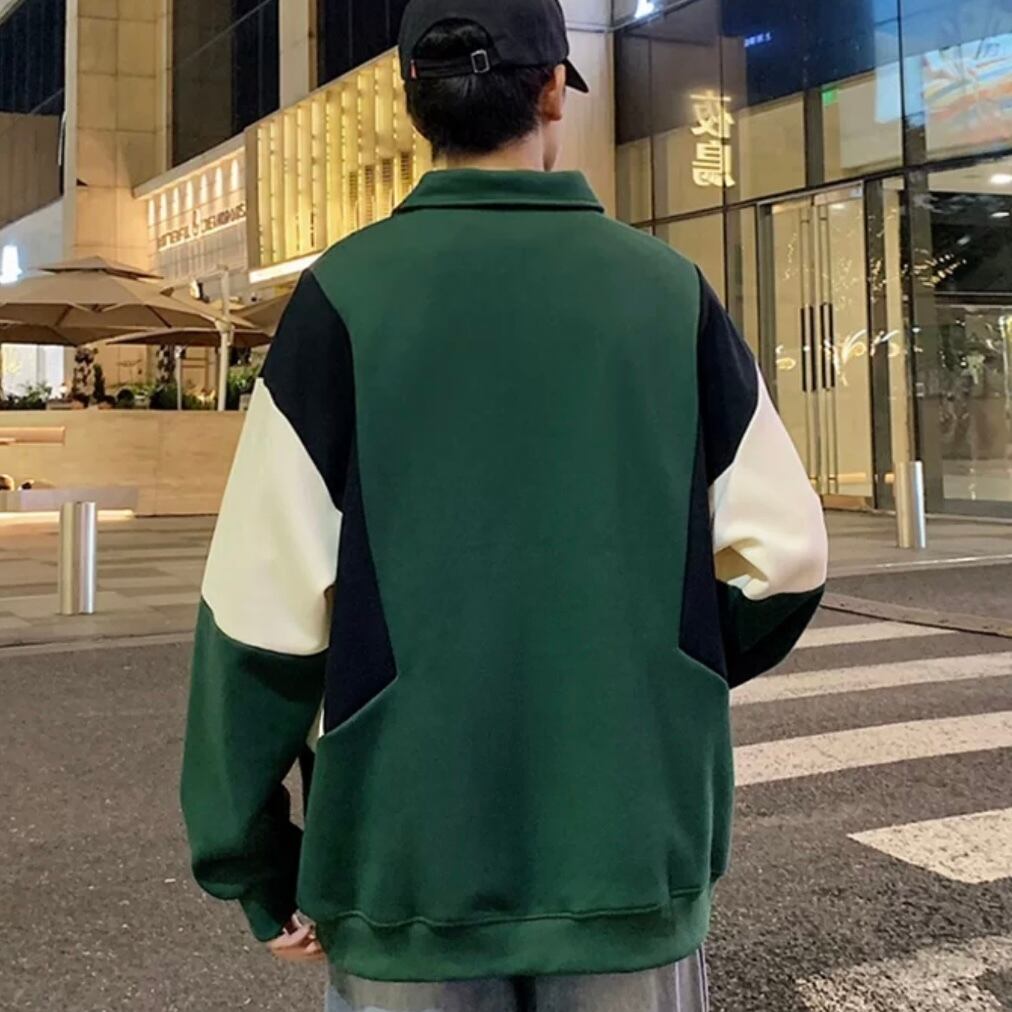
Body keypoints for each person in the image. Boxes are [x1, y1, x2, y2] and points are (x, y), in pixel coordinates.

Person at [180, 0, 829, 1009]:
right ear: (551, 92)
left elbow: (257, 618)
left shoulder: (342, 299)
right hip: (627, 855)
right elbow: (784, 559)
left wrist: (254, 864)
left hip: (403, 865)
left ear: (414, 105)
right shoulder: (666, 293)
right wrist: (655, 673)